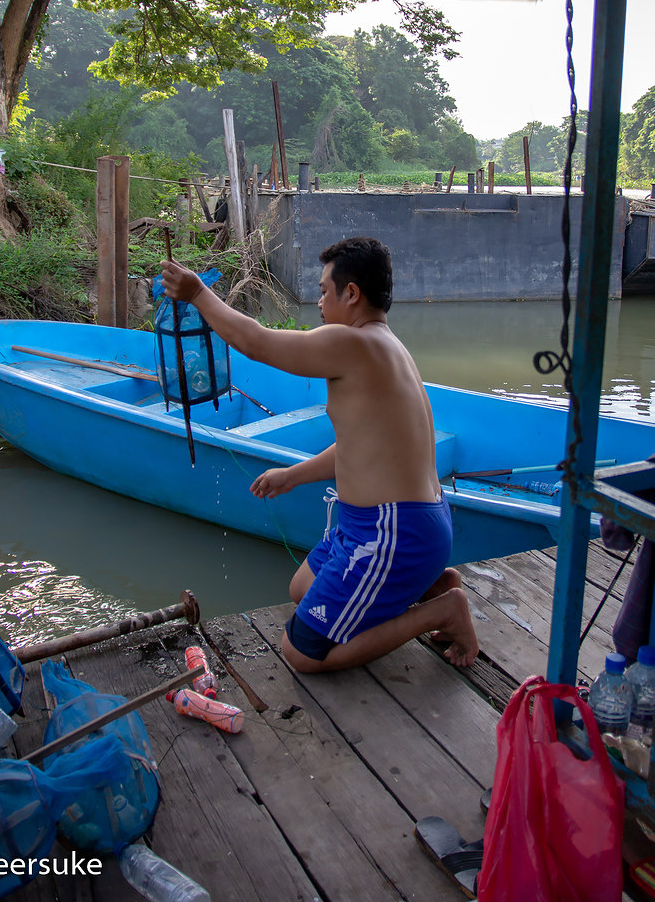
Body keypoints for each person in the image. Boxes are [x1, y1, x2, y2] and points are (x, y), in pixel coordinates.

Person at [161, 235, 478, 674]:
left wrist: (198, 293)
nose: (319, 302)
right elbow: (359, 445)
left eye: (325, 291)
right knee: (300, 588)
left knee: (303, 652)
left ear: (352, 294)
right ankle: (433, 586)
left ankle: (443, 611)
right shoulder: (387, 346)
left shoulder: (354, 344)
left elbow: (257, 341)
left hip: (391, 533)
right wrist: (293, 475)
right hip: (389, 525)